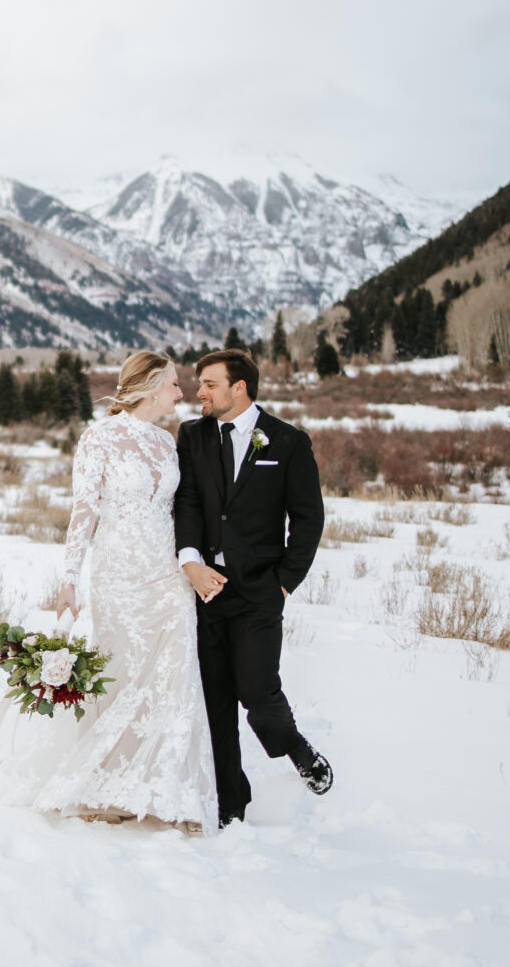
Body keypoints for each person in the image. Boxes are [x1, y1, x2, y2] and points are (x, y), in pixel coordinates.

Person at [27, 350, 216, 833]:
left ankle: (169, 789)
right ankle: (109, 786)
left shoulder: (167, 442)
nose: (181, 392)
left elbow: (178, 511)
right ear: (152, 386)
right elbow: (83, 512)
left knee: (174, 675)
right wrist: (68, 579)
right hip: (119, 576)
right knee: (124, 675)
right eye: (174, 383)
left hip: (166, 576)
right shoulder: (100, 438)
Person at [174, 347, 332, 827]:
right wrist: (190, 562)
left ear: (239, 388)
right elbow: (189, 502)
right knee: (215, 702)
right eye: (199, 383)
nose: (198, 392)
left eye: (209, 384)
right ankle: (231, 805)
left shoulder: (286, 441)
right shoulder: (192, 435)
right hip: (204, 591)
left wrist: (284, 583)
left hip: (260, 592)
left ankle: (298, 750)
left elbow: (308, 519)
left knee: (259, 696)